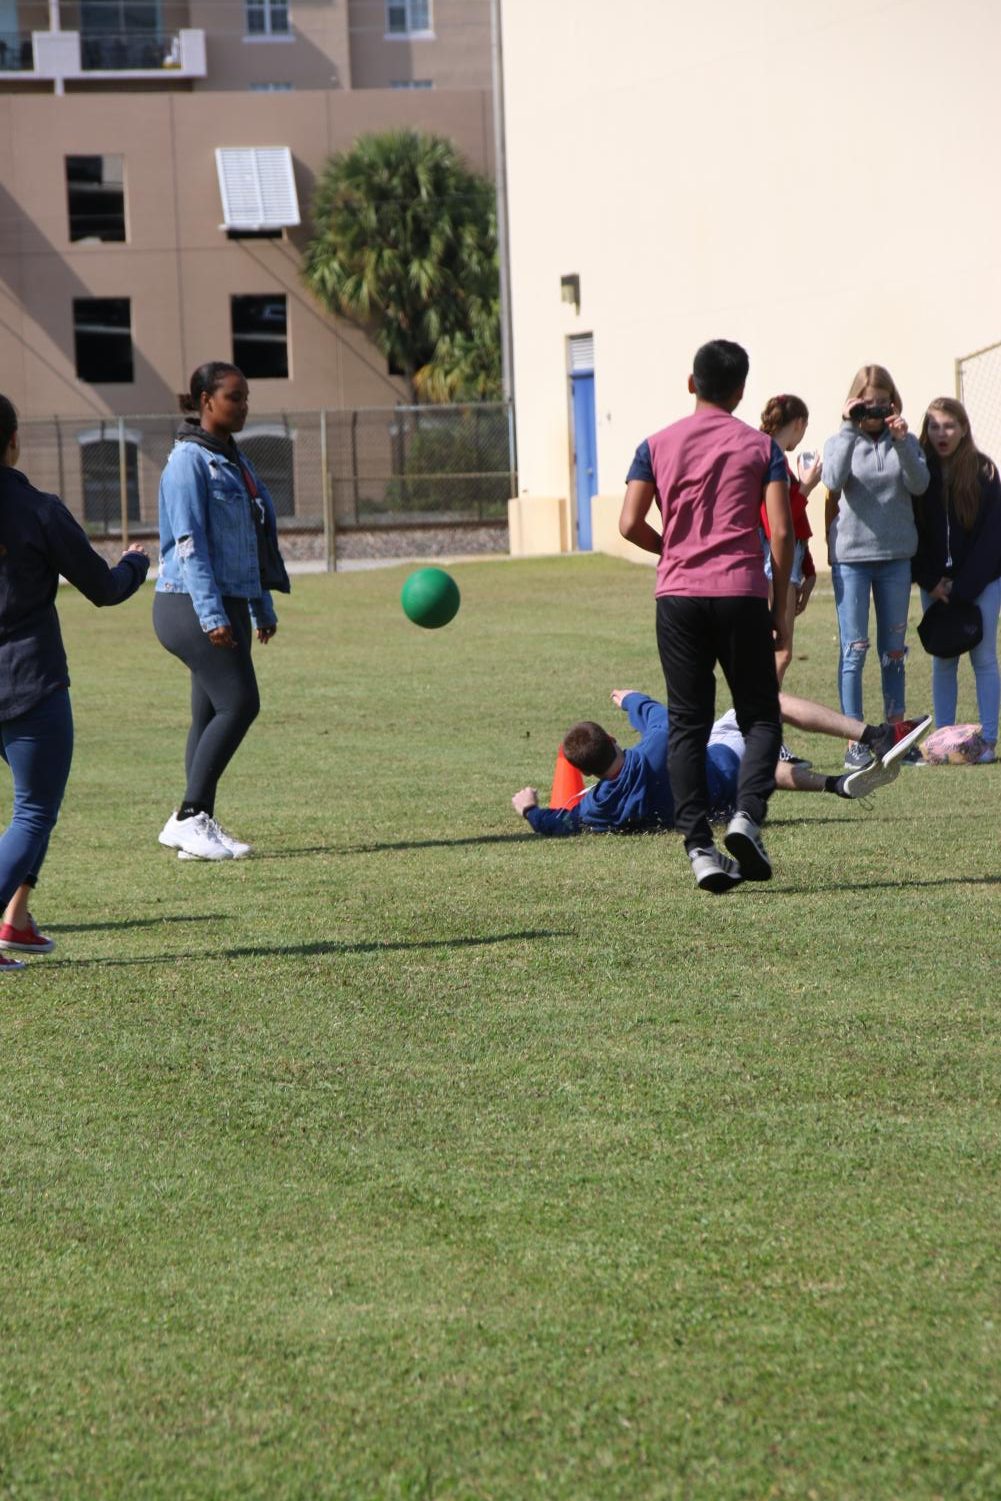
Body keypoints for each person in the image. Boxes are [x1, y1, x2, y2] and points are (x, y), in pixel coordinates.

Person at [619, 338, 793, 894]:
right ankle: (746, 816)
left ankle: (699, 848)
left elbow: (628, 523)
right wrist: (777, 606)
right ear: (742, 391)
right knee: (760, 716)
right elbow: (783, 533)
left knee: (688, 724)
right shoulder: (762, 448)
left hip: (678, 597)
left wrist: (670, 547)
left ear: (691, 383)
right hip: (742, 591)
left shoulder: (655, 443)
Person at [0, 394, 149, 972]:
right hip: (28, 684)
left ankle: (17, 918)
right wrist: (135, 562)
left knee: (34, 811)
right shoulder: (38, 509)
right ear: (14, 440)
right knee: (34, 810)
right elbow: (105, 588)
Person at [511, 690, 931, 877]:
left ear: (587, 774)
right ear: (614, 739)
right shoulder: (657, 745)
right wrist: (631, 699)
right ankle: (874, 736)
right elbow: (657, 714)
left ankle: (835, 785)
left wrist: (530, 809)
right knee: (768, 701)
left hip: (721, 807)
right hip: (726, 762)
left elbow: (562, 821)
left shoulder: (600, 806)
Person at [154, 362, 290, 862]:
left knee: (209, 710)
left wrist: (261, 603)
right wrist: (212, 615)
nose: (244, 405)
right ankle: (189, 816)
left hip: (225, 600)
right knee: (240, 704)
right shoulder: (188, 462)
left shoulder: (232, 459)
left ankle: (197, 830)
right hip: (187, 604)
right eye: (234, 397)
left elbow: (248, 542)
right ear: (206, 401)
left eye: (247, 396)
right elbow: (189, 544)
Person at [822, 364, 929, 770]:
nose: (876, 410)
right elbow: (832, 479)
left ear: (893, 403)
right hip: (852, 559)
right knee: (854, 651)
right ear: (854, 403)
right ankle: (855, 741)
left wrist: (901, 442)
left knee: (894, 652)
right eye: (868, 403)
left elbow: (920, 484)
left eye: (883, 402)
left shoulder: (906, 440)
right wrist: (850, 428)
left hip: (895, 558)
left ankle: (896, 734)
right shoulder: (839, 439)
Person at [913, 397, 1001, 762]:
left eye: (949, 426)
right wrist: (931, 581)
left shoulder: (984, 471)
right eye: (934, 426)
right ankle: (945, 742)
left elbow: (993, 537)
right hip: (935, 586)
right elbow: (912, 533)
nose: (942, 434)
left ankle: (989, 740)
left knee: (984, 659)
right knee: (943, 659)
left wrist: (964, 587)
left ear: (963, 428)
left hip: (981, 584)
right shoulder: (918, 471)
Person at [758, 393, 823, 689]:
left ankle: (761, 726)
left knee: (778, 653)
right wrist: (806, 488)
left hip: (787, 564)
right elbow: (776, 526)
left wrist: (808, 572)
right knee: (778, 653)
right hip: (773, 565)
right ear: (799, 423)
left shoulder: (777, 459)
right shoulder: (769, 459)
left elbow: (795, 526)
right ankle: (760, 727)